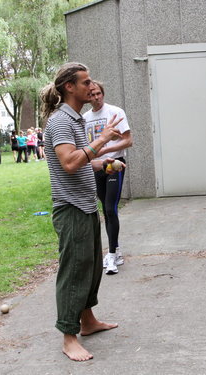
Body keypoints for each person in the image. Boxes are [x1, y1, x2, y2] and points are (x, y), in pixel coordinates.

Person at [40, 62, 124, 361]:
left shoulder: (74, 120)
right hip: (71, 208)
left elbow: (81, 160)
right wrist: (102, 140)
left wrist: (103, 162)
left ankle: (87, 322)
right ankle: (68, 336)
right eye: (86, 82)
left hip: (85, 204)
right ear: (69, 87)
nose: (92, 86)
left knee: (90, 268)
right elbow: (69, 163)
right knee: (74, 272)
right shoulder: (61, 121)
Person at [84, 81, 133, 275]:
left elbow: (128, 140)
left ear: (102, 94)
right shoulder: (84, 118)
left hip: (115, 164)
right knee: (106, 209)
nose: (96, 97)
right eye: (92, 94)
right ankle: (117, 251)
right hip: (96, 167)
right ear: (87, 97)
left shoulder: (115, 112)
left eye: (98, 93)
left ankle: (111, 255)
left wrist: (104, 149)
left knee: (111, 208)